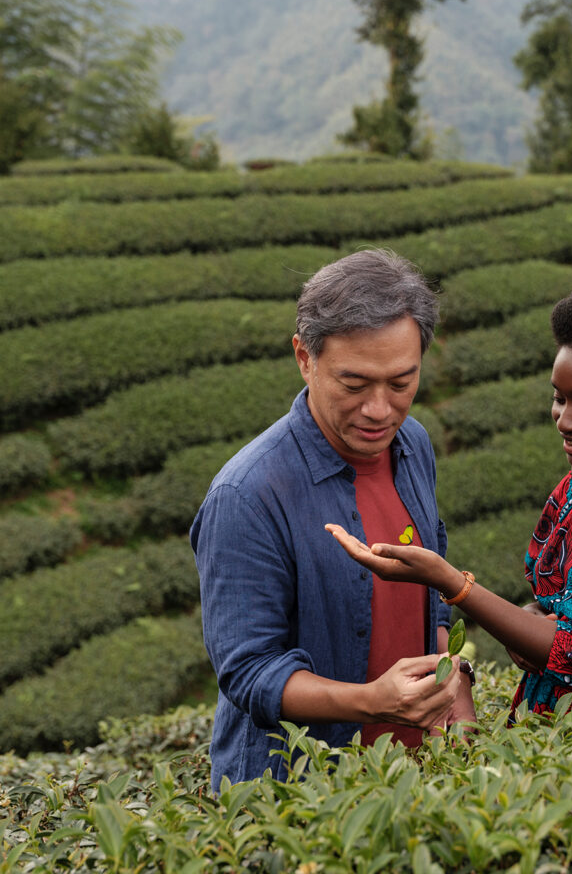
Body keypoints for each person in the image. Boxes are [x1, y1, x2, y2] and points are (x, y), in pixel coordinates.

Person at [328, 272, 572, 716]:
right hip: (555, 726)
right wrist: (529, 617)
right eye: (560, 398)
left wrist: (450, 582)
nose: (564, 419)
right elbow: (558, 601)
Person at [191, 249, 473, 788]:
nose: (379, 409)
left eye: (400, 383)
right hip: (298, 787)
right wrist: (370, 704)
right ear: (304, 357)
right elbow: (249, 672)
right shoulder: (248, 494)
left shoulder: (412, 444)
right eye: (354, 384)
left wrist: (451, 685)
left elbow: (427, 582)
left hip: (411, 774)